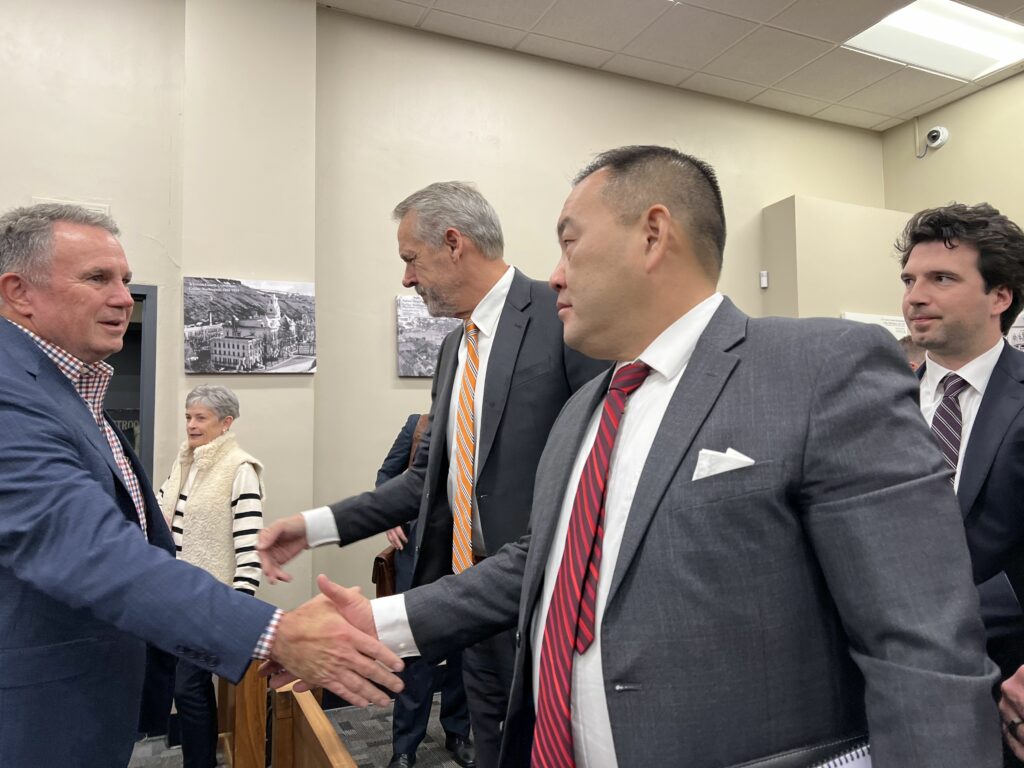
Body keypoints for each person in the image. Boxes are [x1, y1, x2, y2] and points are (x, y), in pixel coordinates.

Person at [270, 146, 1002, 767]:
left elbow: (921, 649)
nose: (553, 274)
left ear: (653, 235)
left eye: (569, 243)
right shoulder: (583, 413)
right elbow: (539, 563)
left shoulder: (815, 369)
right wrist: (381, 622)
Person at [0, 203, 403, 767]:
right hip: (33, 715)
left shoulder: (69, 391)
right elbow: (88, 548)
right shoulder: (13, 392)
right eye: (97, 278)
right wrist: (275, 634)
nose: (123, 297)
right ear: (19, 292)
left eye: (122, 278)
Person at [259, 181, 607, 768]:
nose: (406, 279)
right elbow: (426, 482)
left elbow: (597, 473)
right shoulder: (453, 349)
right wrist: (313, 526)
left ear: (453, 243)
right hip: (470, 606)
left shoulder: (561, 316)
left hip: (549, 610)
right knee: (493, 747)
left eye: (409, 260)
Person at [897, 202, 1024, 765]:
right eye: (909, 280)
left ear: (1000, 296)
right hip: (890, 686)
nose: (915, 296)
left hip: (1005, 684)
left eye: (942, 278)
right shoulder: (878, 404)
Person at [156, 384, 266, 768]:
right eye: (188, 417)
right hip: (175, 595)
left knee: (188, 688)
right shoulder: (184, 462)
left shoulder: (240, 469)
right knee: (184, 689)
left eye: (200, 417)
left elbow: (250, 543)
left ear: (226, 423)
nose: (191, 424)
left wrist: (238, 604)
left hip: (212, 601)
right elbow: (161, 514)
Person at [378, 413, 474, 768]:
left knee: (466, 649)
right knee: (414, 653)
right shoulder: (418, 425)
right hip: (421, 556)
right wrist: (391, 517)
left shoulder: (488, 426)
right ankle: (404, 748)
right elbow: (387, 473)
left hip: (468, 553)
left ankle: (458, 732)